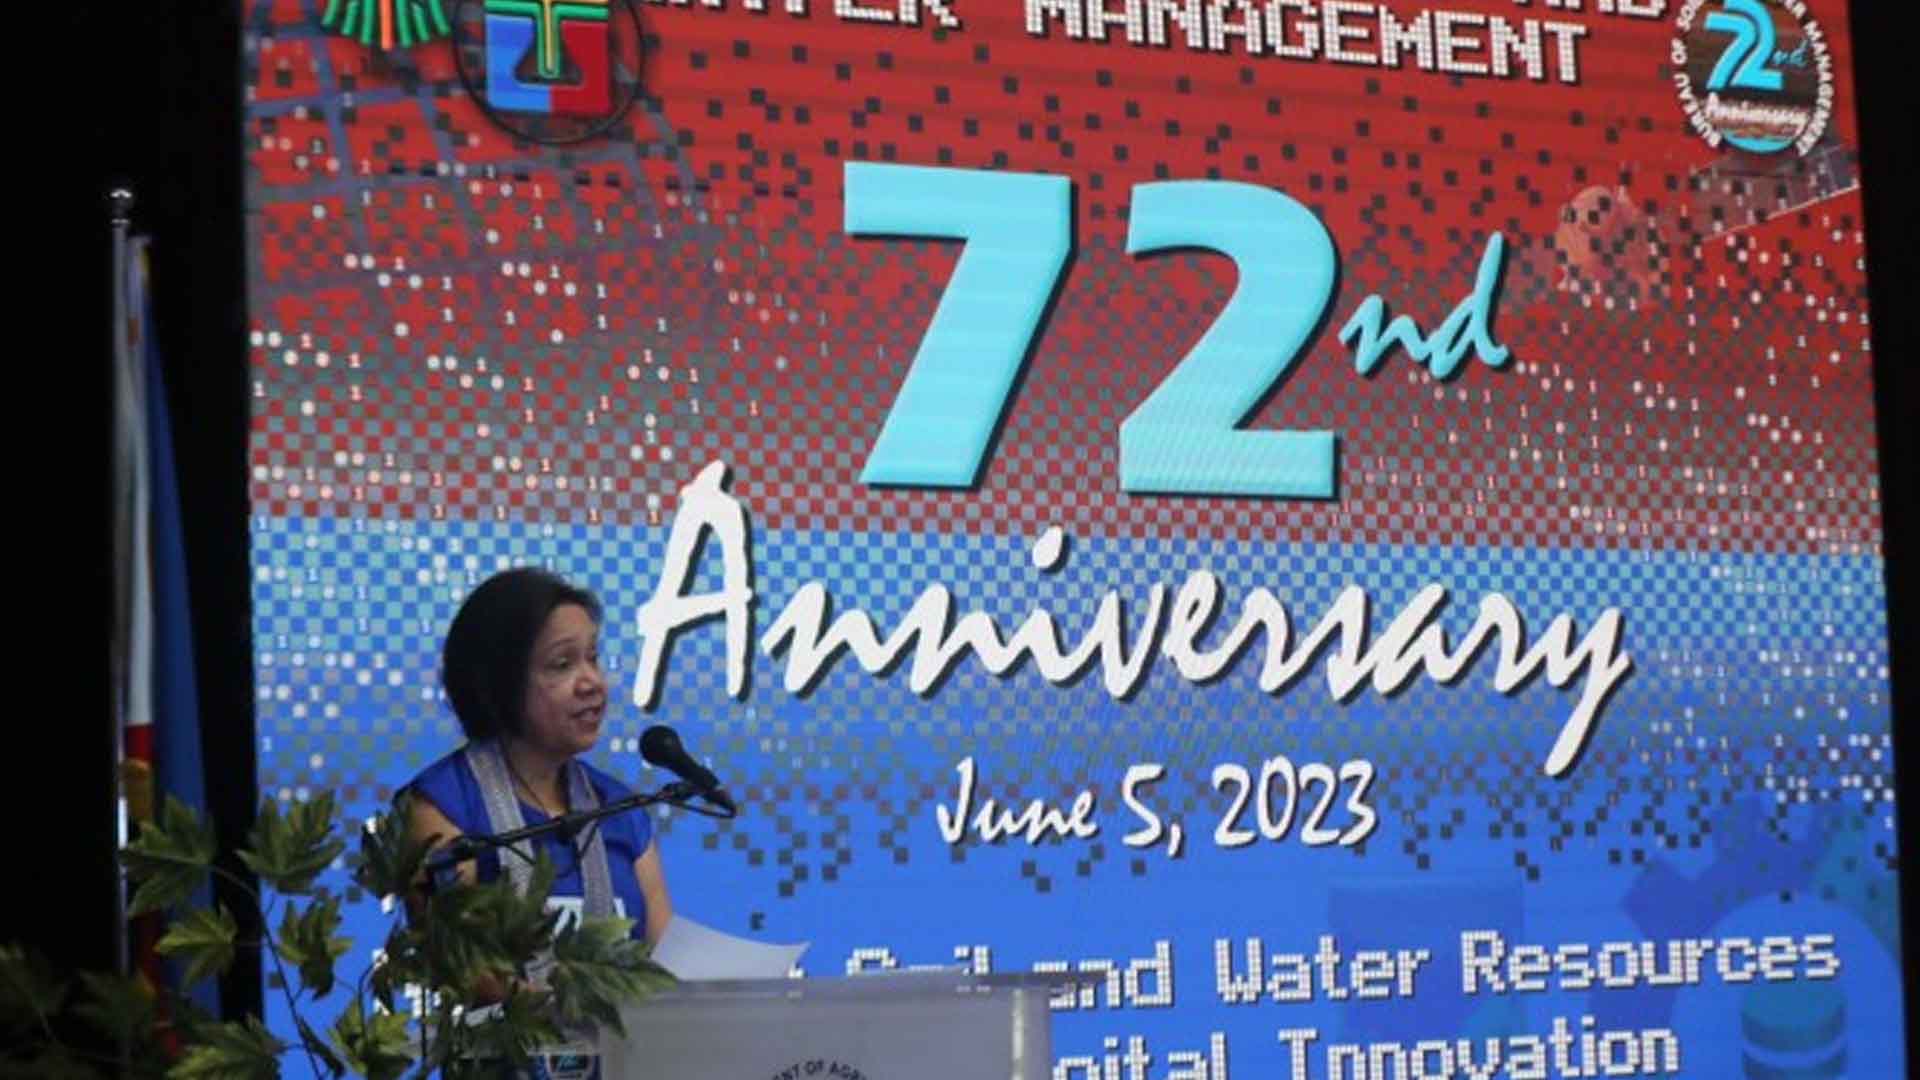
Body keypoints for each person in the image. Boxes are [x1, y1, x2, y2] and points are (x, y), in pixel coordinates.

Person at [400, 566, 673, 1005]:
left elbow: (665, 972)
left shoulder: (620, 811)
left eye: (593, 658)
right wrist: (569, 1015)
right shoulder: (444, 806)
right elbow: (463, 971)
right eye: (562, 664)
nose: (592, 682)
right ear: (499, 682)